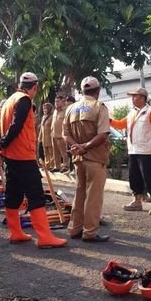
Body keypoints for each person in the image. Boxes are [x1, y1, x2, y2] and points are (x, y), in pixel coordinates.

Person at [0, 72, 67, 249]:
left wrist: (0, 148)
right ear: (35, 87)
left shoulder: (10, 100)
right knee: (36, 195)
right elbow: (16, 126)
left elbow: (1, 128)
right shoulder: (25, 100)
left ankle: (16, 233)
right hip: (23, 156)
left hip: (12, 156)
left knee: (13, 194)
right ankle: (44, 237)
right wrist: (1, 146)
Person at [63, 76, 110, 242]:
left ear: (82, 91)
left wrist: (77, 147)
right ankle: (90, 232)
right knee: (93, 197)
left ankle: (74, 228)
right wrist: (86, 146)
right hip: (95, 158)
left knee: (80, 192)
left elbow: (65, 135)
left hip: (78, 158)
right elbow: (103, 135)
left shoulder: (71, 109)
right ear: (97, 91)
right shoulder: (99, 107)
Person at [110, 87, 151, 215]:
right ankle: (137, 201)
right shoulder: (132, 112)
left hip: (147, 151)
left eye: (135, 96)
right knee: (134, 177)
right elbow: (120, 124)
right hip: (133, 150)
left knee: (149, 177)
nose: (132, 99)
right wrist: (108, 120)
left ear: (142, 98)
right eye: (132, 97)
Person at [51, 95, 69, 173]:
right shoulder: (55, 111)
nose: (56, 103)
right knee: (55, 152)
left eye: (58, 101)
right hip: (54, 134)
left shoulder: (66, 111)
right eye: (55, 101)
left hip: (61, 135)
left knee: (63, 152)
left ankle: (65, 166)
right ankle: (57, 166)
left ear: (63, 101)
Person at [39, 103, 54, 170]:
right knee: (45, 153)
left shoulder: (52, 116)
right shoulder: (43, 117)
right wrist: (39, 137)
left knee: (51, 152)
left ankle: (52, 165)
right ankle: (47, 166)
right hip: (44, 138)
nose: (44, 110)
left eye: (46, 108)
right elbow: (41, 129)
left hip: (50, 137)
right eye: (44, 108)